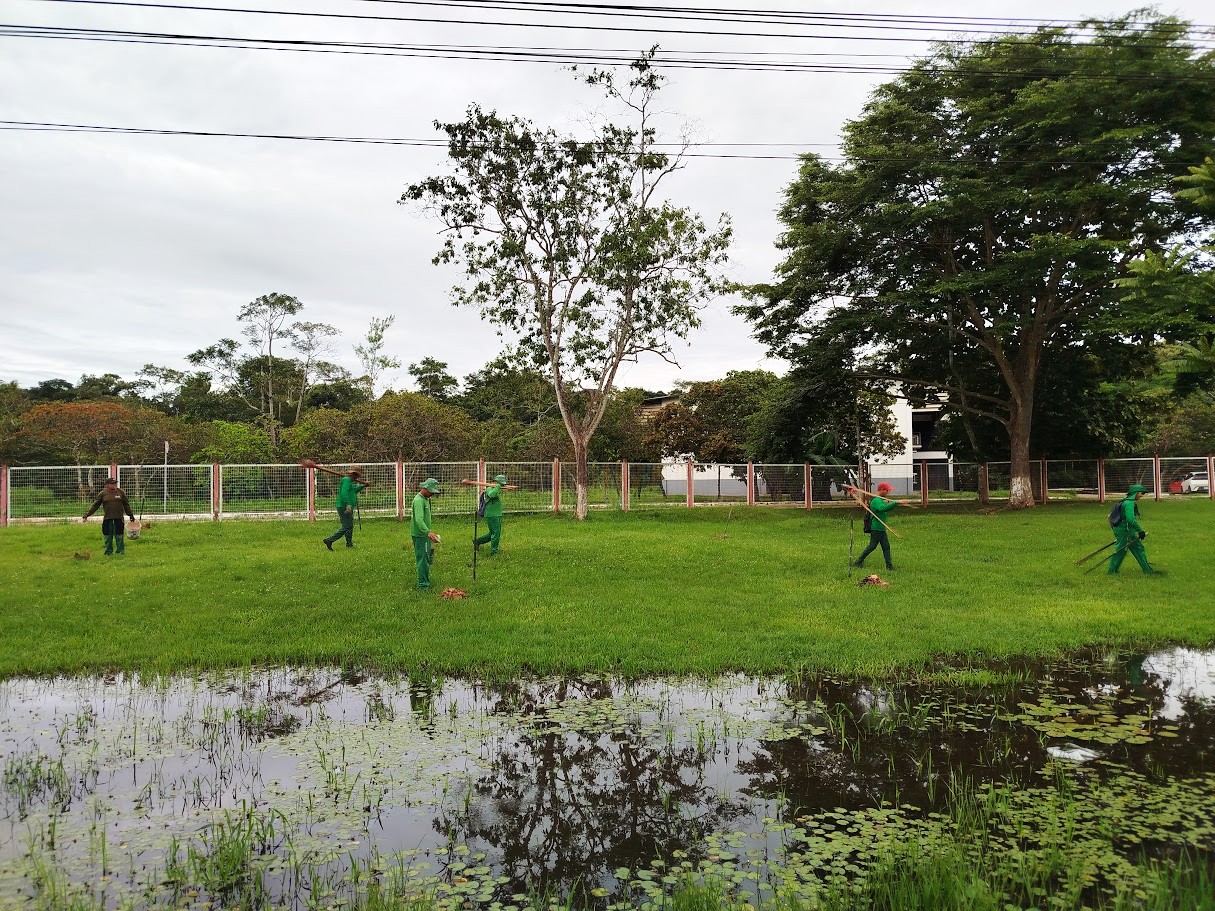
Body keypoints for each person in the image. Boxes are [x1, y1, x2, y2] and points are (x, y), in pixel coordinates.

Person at [1108, 484, 1163, 575]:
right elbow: (1130, 520)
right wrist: (1140, 531)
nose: (1142, 495)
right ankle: (1112, 571)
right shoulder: (1129, 503)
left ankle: (1148, 570)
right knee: (1121, 550)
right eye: (1141, 493)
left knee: (1138, 548)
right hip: (1124, 530)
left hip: (1127, 530)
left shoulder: (1126, 501)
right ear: (1135, 493)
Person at [849, 482, 904, 571]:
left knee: (886, 547)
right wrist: (895, 502)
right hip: (876, 528)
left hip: (881, 528)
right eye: (887, 490)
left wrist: (895, 503)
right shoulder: (876, 501)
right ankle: (858, 562)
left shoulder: (879, 500)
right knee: (872, 546)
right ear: (881, 490)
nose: (888, 492)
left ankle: (889, 566)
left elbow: (886, 507)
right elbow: (882, 508)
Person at [82, 477, 135, 556]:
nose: (114, 485)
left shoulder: (121, 492)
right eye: (112, 483)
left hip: (119, 518)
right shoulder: (103, 493)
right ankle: (108, 552)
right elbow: (95, 505)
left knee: (119, 536)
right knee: (107, 536)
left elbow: (126, 505)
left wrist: (130, 515)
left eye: (115, 483)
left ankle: (120, 552)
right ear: (107, 485)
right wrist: (87, 514)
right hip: (107, 518)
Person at [323, 468, 367, 550]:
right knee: (347, 526)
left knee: (349, 526)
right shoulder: (346, 480)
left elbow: (353, 491)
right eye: (356, 476)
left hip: (346, 506)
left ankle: (349, 544)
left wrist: (363, 486)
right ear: (354, 475)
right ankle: (329, 540)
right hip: (344, 506)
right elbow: (344, 492)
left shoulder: (349, 481)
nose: (357, 478)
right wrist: (348, 504)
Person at [410, 477, 442, 590]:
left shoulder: (425, 499)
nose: (432, 494)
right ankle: (423, 586)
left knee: (426, 558)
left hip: (423, 534)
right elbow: (419, 520)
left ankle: (425, 582)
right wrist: (428, 532)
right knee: (423, 560)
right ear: (426, 488)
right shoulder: (419, 501)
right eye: (431, 492)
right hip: (420, 535)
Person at [475, 474, 511, 555]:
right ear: (496, 482)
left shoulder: (495, 488)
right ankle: (494, 552)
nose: (502, 486)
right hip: (492, 515)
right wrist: (498, 486)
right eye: (501, 484)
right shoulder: (489, 489)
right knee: (496, 534)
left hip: (495, 514)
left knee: (493, 533)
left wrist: (499, 487)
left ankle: (478, 541)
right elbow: (492, 495)